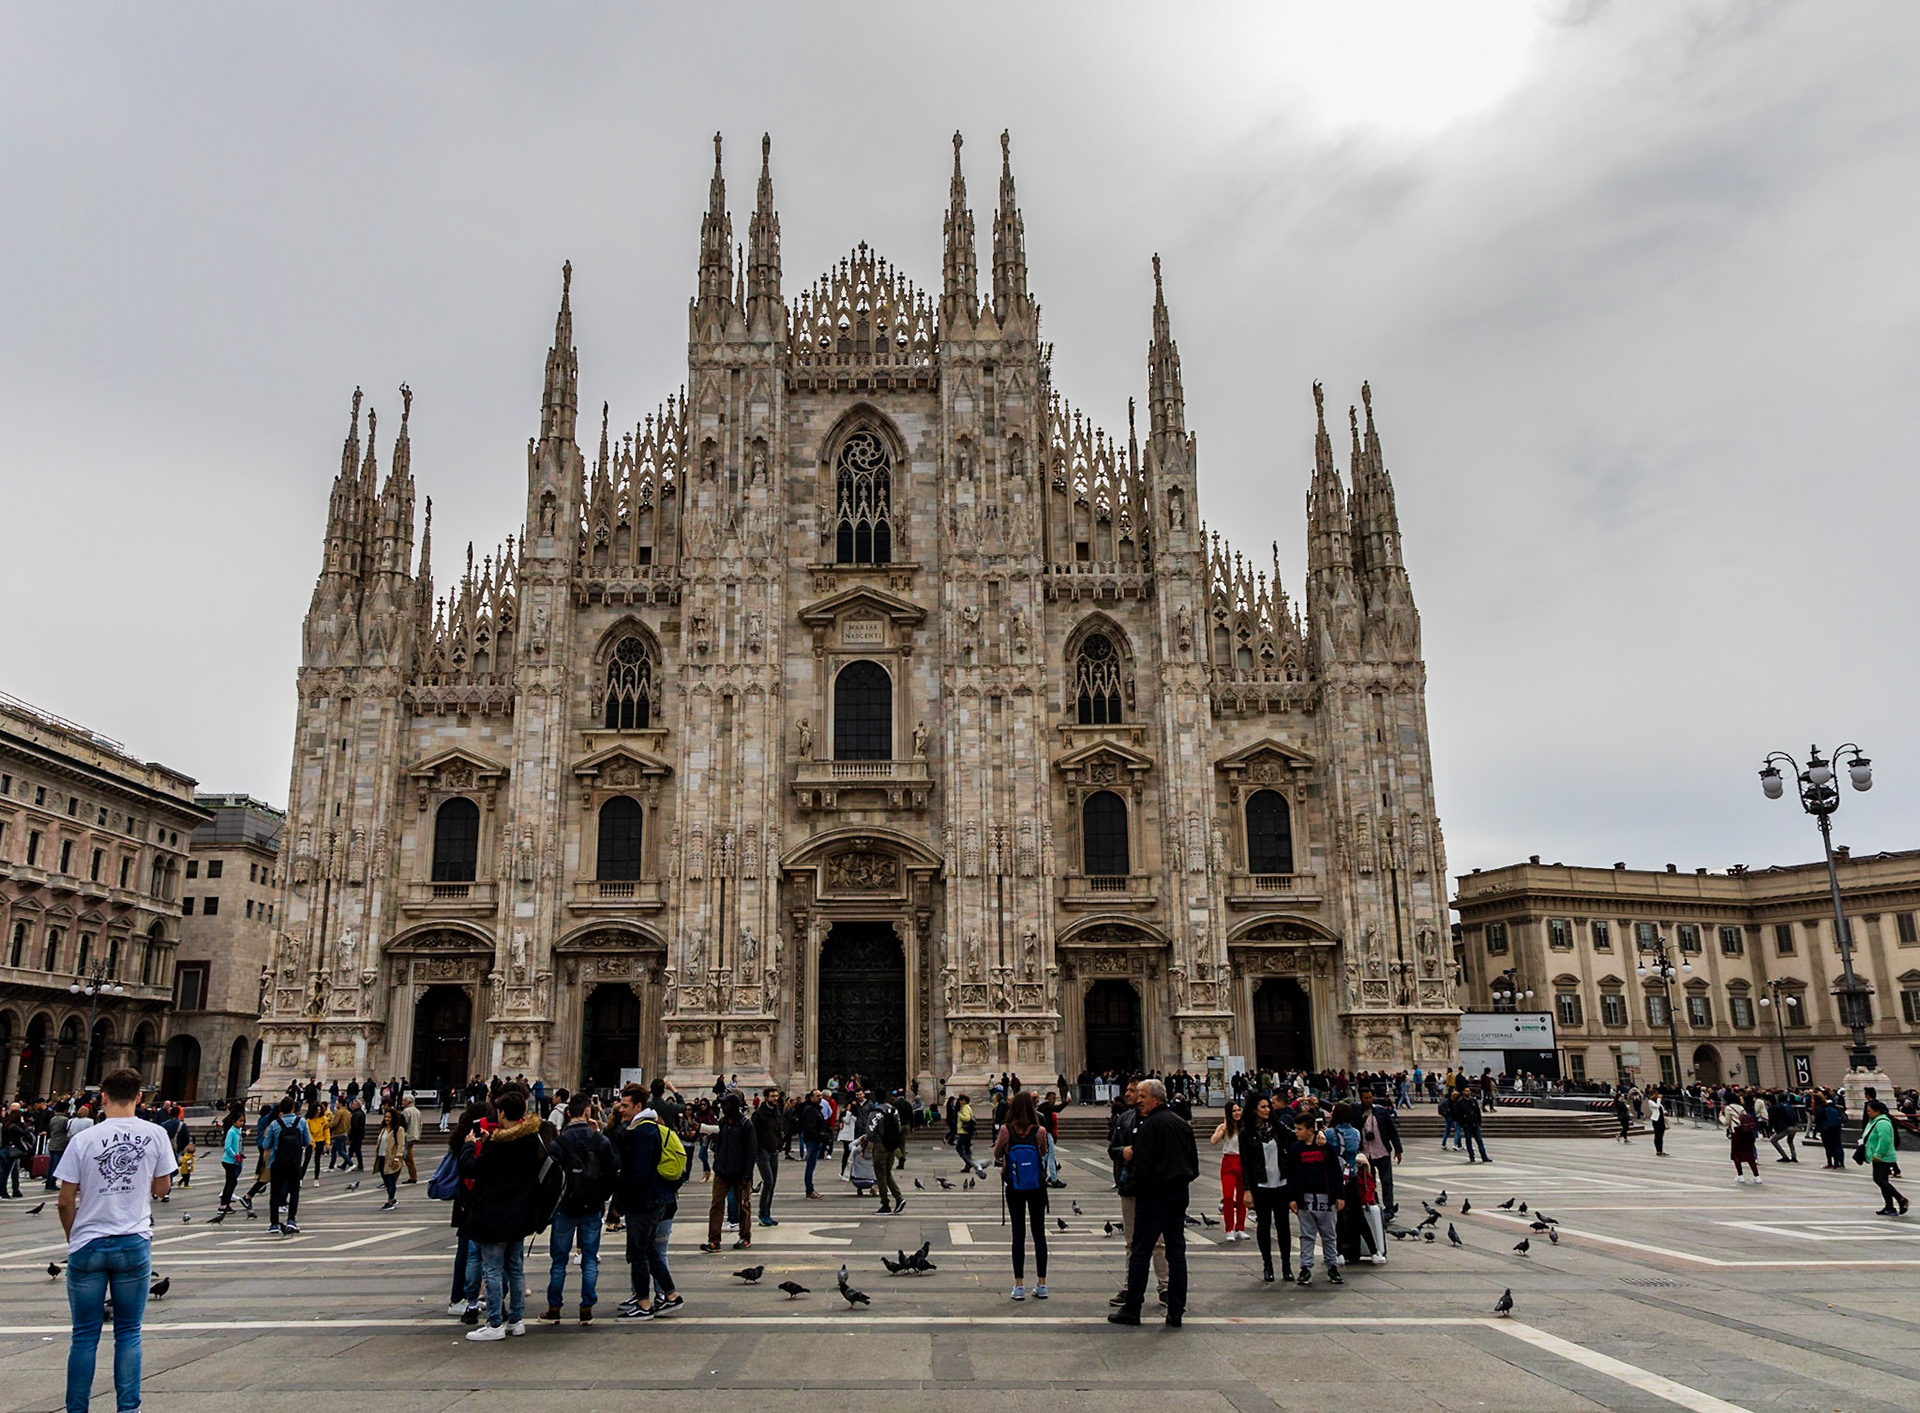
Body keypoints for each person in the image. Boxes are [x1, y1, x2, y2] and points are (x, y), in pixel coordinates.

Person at [55, 1068, 177, 1413]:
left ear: (103, 1098)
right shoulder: (155, 1135)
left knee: (84, 1336)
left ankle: (77, 1410)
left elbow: (64, 1200)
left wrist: (74, 1237)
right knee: (128, 1333)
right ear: (139, 1097)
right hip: (133, 1242)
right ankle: (128, 1409)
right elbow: (162, 1188)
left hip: (89, 1244)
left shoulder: (83, 1140)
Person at [1107, 1078, 1198, 1328]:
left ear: (1156, 1098)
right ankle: (1176, 1311)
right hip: (1178, 1196)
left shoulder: (1150, 1126)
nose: (1139, 1100)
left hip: (1152, 1197)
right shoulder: (1182, 1125)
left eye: (1143, 1096)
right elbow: (1194, 1166)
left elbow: (1141, 1166)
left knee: (1140, 1252)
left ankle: (1132, 1309)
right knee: (1176, 1253)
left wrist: (1136, 1185)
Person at [458, 1088, 544, 1341]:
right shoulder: (530, 1140)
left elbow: (472, 1168)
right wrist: (488, 1143)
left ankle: (495, 1323)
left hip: (495, 1215)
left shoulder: (499, 1146)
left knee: (493, 1270)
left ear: (502, 1112)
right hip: (519, 1215)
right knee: (516, 1269)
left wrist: (470, 1146)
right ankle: (516, 1321)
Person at [609, 1086, 685, 1319]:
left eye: (625, 1105)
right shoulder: (651, 1128)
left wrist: (619, 1204)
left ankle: (643, 1303)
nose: (621, 1109)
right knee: (651, 1250)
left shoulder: (641, 1132)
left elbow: (637, 1174)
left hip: (644, 1202)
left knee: (638, 1253)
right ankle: (671, 1296)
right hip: (656, 1198)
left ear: (638, 1107)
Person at [544, 1091, 616, 1323]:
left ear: (567, 1113)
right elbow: (610, 1175)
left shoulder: (559, 1142)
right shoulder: (601, 1141)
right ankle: (586, 1308)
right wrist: (602, 1198)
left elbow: (549, 1177)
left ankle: (554, 1307)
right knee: (589, 1259)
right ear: (588, 1112)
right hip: (592, 1207)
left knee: (559, 1261)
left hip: (565, 1207)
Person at [1106, 1081, 1167, 1309]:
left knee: (1158, 1242)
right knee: (1131, 1242)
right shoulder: (1124, 1120)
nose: (1133, 1097)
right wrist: (1122, 1151)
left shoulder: (1160, 1121)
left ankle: (1165, 1287)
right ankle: (1130, 1286)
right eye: (1132, 1092)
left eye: (1137, 1093)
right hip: (1130, 1186)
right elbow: (1112, 1148)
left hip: (1154, 1189)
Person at [994, 1090, 1052, 1300]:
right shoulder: (1040, 1131)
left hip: (1015, 1186)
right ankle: (1042, 1283)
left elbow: (997, 1154)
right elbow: (1043, 1152)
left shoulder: (1006, 1130)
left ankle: (1019, 1285)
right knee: (1039, 1234)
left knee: (1018, 1234)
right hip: (1036, 1186)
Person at [1239, 1095, 1292, 1283]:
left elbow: (1296, 1137)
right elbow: (1244, 1163)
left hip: (1281, 1183)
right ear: (1254, 1109)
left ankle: (1286, 1265)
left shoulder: (1277, 1128)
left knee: (1283, 1226)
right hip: (1260, 1185)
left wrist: (1317, 1132)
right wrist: (1246, 1190)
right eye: (1263, 1107)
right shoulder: (1246, 1133)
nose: (1267, 1110)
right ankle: (1267, 1264)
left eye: (1268, 1106)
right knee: (1264, 1226)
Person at [1288, 1111, 1344, 1286]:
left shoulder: (1325, 1148)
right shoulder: (1295, 1149)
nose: (1296, 1132)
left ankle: (1332, 1265)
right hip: (1304, 1198)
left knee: (1329, 1234)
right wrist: (1292, 1197)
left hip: (1326, 1197)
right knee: (1307, 1234)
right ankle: (1305, 1267)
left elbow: (1336, 1172)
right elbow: (1291, 1174)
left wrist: (1340, 1195)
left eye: (1299, 1129)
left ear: (1311, 1130)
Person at [698, 1092, 757, 1253]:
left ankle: (745, 1236)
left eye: (726, 1104)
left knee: (743, 1206)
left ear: (734, 1106)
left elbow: (751, 1152)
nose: (722, 1107)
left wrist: (747, 1174)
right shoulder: (723, 1122)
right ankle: (714, 1240)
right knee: (716, 1205)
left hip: (741, 1175)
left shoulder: (746, 1125)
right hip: (722, 1172)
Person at [261, 1098, 310, 1234]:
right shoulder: (301, 1122)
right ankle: (291, 1220)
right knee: (294, 1192)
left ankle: (274, 1223)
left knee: (275, 1192)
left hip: (278, 1162)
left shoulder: (275, 1124)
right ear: (293, 1108)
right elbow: (307, 1141)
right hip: (294, 1162)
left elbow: (266, 1145)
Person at [1861, 1099, 1909, 1216]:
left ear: (1877, 1111)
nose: (1868, 1113)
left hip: (1883, 1157)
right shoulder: (1874, 1121)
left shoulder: (1883, 1123)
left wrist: (1878, 1154)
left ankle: (1900, 1199)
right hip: (1876, 1156)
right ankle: (1889, 1206)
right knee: (1883, 1180)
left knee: (1879, 1179)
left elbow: (1885, 1140)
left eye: (1870, 1110)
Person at [1208, 1101, 1248, 1241]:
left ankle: (1240, 1227)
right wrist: (1224, 1128)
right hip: (1229, 1163)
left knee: (1243, 1197)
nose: (1237, 1113)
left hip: (1243, 1162)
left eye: (1238, 1110)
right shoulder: (1224, 1128)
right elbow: (1213, 1141)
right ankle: (1229, 1228)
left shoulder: (1245, 1127)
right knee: (1228, 1196)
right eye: (1234, 1111)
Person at [751, 1089, 784, 1227]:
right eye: (772, 1096)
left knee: (772, 1183)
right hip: (763, 1152)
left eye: (776, 1095)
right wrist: (759, 1149)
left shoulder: (776, 1112)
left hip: (774, 1151)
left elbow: (778, 1130)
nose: (775, 1098)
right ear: (766, 1098)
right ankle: (762, 1213)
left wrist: (779, 1145)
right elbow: (753, 1133)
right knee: (768, 1181)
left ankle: (767, 1213)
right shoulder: (758, 1114)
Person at [374, 1108, 408, 1209]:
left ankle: (390, 1201)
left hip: (392, 1159)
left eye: (389, 1117)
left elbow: (401, 1145)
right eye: (386, 1117)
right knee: (386, 1180)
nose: (387, 1119)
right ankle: (392, 1199)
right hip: (381, 1157)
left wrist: (398, 1157)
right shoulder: (383, 1129)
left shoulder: (399, 1129)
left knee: (391, 1180)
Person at [1725, 1096, 1762, 1184]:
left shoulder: (1728, 1108)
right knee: (1750, 1154)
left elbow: (1726, 1122)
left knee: (1736, 1154)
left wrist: (1720, 1117)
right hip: (1747, 1132)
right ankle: (1757, 1176)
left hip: (1737, 1132)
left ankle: (1740, 1175)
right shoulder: (1741, 1108)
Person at [216, 1103, 246, 1211]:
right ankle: (224, 1204)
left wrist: (240, 1154)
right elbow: (228, 1146)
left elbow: (237, 1145)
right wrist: (235, 1155)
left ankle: (225, 1203)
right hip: (229, 1160)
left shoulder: (237, 1132)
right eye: (240, 1121)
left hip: (234, 1160)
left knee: (231, 1182)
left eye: (242, 1121)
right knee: (231, 1182)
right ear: (234, 1122)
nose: (242, 1123)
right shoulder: (232, 1132)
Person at [954, 1093, 985, 1177]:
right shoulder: (965, 1107)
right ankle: (967, 1166)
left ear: (964, 1101)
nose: (959, 1102)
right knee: (967, 1149)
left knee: (959, 1148)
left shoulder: (965, 1108)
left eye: (960, 1100)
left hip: (964, 1132)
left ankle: (968, 1162)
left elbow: (967, 1118)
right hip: (966, 1132)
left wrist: (959, 1114)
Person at [1455, 1089, 1489, 1163]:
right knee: (1468, 1141)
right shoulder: (1460, 1102)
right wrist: (1463, 1123)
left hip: (1475, 1124)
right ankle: (1472, 1156)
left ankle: (1484, 1156)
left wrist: (1479, 1122)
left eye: (1469, 1091)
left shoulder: (1473, 1101)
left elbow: (1477, 1112)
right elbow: (1457, 1114)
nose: (1468, 1092)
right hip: (1467, 1125)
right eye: (1466, 1091)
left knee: (1479, 1140)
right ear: (1463, 1092)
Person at [1767, 1092, 1800, 1163]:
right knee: (1790, 1141)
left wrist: (1770, 1130)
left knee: (1774, 1140)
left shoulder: (1774, 1108)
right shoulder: (1788, 1105)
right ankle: (1794, 1156)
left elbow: (1772, 1120)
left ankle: (1784, 1156)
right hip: (1794, 1126)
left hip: (1785, 1128)